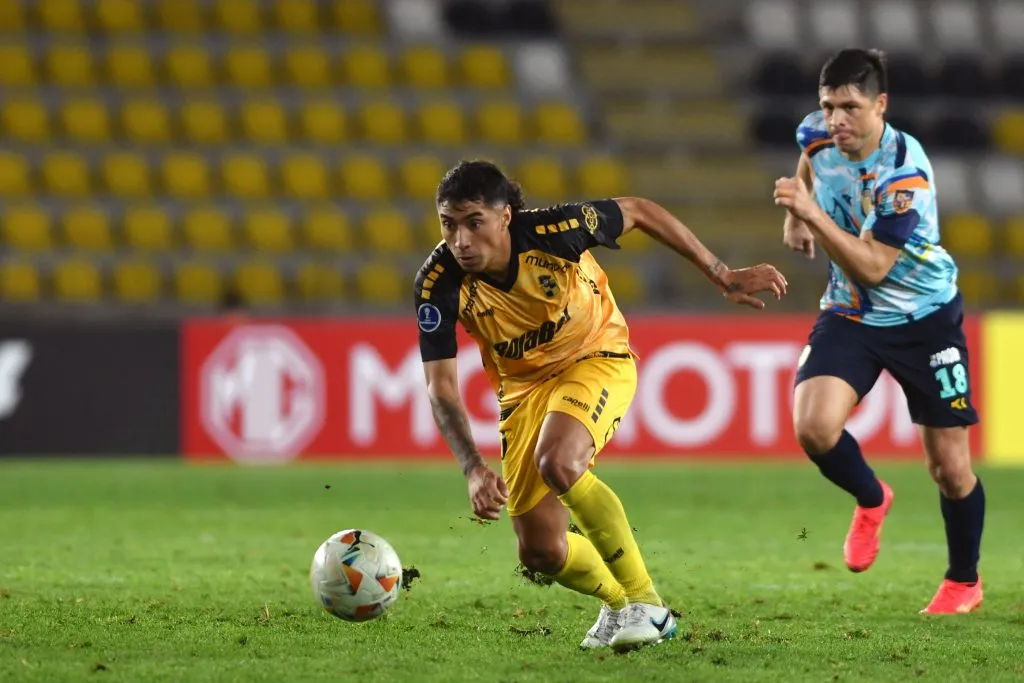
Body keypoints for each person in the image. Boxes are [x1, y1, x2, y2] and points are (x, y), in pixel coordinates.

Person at [415, 160, 788, 651]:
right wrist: (471, 468)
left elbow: (639, 211)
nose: (460, 240)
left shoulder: (554, 232)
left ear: (505, 216)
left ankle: (648, 605)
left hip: (596, 355)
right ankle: (617, 604)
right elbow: (440, 387)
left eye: (473, 223)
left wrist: (721, 274)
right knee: (541, 552)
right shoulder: (437, 282)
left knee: (559, 461)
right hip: (524, 390)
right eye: (449, 224)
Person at [773, 49, 985, 614]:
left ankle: (963, 581)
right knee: (813, 428)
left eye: (850, 107)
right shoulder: (816, 135)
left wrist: (811, 216)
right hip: (851, 312)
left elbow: (873, 266)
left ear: (881, 105)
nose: (836, 119)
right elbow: (807, 162)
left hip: (925, 318)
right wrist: (797, 214)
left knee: (949, 468)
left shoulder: (904, 173)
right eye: (828, 106)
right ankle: (872, 497)